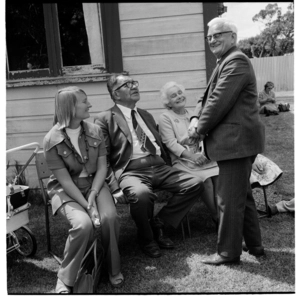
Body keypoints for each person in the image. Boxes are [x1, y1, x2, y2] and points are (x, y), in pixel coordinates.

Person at [94, 74, 205, 259]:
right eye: (127, 84)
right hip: (131, 171)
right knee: (141, 195)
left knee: (195, 183)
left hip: (159, 166)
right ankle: (147, 238)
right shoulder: (105, 118)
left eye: (134, 83)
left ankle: (159, 222)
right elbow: (102, 157)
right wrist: (114, 187)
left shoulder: (145, 114)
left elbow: (161, 144)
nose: (133, 86)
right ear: (116, 93)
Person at [188, 18, 265, 265]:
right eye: (209, 36)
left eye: (218, 34)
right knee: (242, 195)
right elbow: (205, 97)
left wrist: (197, 131)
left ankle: (228, 253)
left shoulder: (236, 61)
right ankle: (255, 245)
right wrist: (193, 116)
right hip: (236, 142)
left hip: (236, 143)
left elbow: (219, 101)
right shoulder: (224, 61)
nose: (213, 39)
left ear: (233, 36)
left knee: (228, 201)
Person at [43, 86, 123, 293]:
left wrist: (94, 195)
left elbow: (103, 167)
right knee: (82, 225)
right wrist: (88, 206)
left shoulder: (95, 130)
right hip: (67, 190)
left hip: (95, 185)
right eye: (84, 101)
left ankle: (113, 268)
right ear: (70, 107)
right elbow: (66, 182)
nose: (90, 104)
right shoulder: (51, 139)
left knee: (109, 217)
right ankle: (65, 278)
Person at [158, 81, 219, 224]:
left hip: (201, 157)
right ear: (168, 102)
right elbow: (171, 143)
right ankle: (217, 216)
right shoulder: (165, 117)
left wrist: (203, 154)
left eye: (180, 93)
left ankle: (222, 213)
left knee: (219, 178)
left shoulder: (193, 114)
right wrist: (192, 156)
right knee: (207, 182)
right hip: (182, 161)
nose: (179, 97)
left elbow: (204, 137)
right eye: (174, 96)